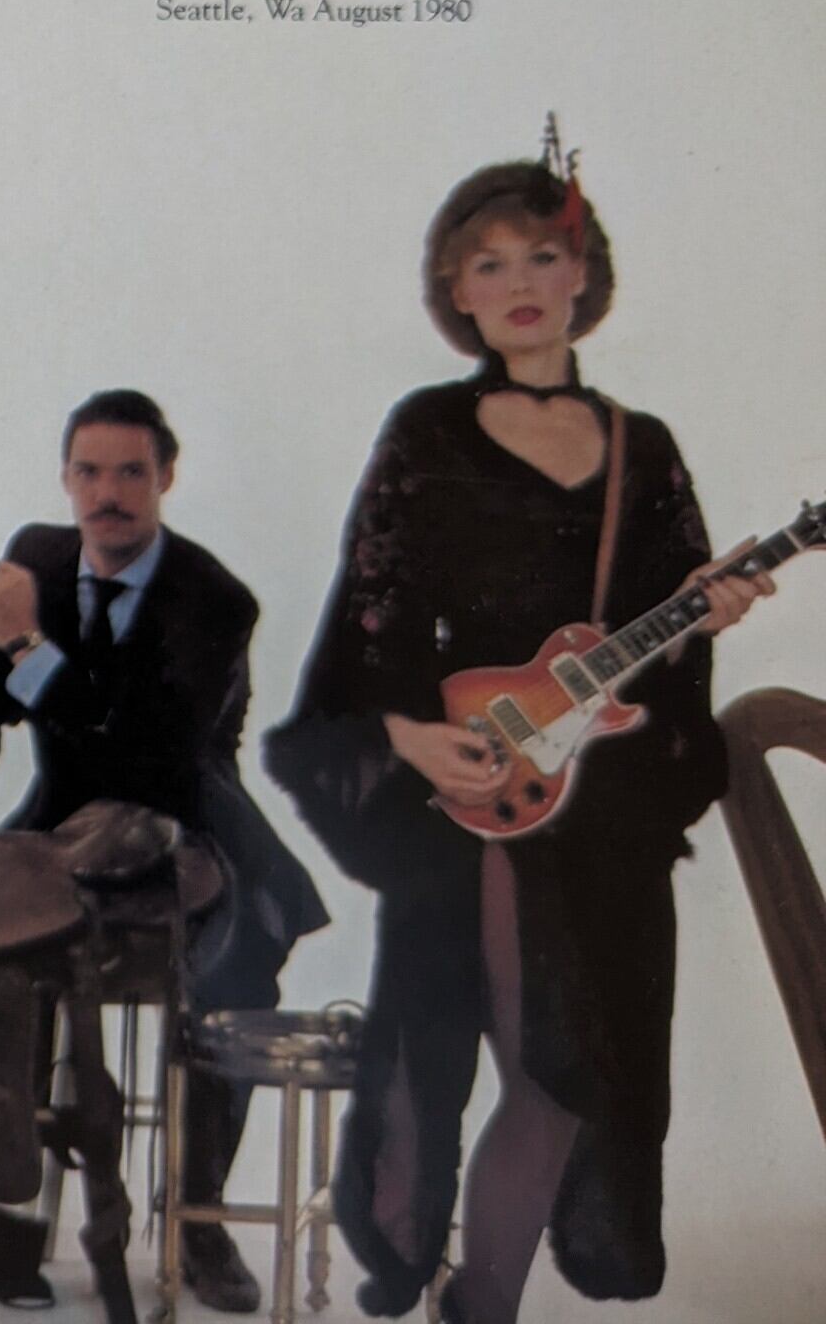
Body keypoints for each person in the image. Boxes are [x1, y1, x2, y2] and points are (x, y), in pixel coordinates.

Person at [263, 147, 773, 1324]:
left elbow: (660, 651)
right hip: (471, 804)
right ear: (456, 292)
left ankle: (481, 1302)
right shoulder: (426, 431)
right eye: (486, 265)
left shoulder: (644, 446)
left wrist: (706, 616)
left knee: (572, 1076)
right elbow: (370, 618)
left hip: (599, 817)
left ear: (582, 274)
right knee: (480, 1059)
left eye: (542, 255)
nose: (519, 283)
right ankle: (456, 1291)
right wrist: (403, 737)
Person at [0, 388, 327, 1314]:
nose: (108, 495)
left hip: (190, 807)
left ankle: (201, 1217)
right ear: (66, 479)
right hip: (65, 809)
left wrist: (25, 641)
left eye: (131, 474)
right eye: (89, 473)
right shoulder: (35, 561)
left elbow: (141, 753)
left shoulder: (216, 600)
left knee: (235, 964)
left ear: (166, 478)